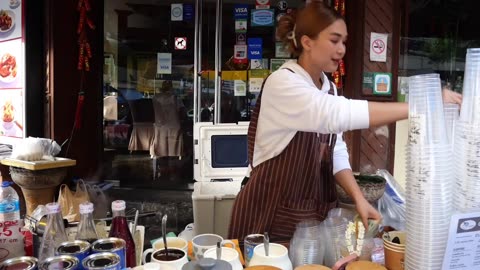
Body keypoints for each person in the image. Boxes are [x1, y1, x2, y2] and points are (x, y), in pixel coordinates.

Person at [227, 1, 461, 245]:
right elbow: (336, 114)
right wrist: (423, 106)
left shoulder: (329, 89)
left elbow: (335, 150)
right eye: (334, 40)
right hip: (269, 214)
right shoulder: (283, 83)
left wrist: (358, 197)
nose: (341, 50)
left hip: (308, 213)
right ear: (307, 42)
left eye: (344, 41)